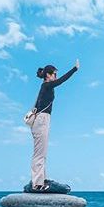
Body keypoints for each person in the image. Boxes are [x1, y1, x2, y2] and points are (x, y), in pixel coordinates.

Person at [30, 59, 80, 192]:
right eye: (54, 74)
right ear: (48, 75)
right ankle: (37, 185)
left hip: (42, 120)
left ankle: (41, 179)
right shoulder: (46, 85)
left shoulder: (44, 87)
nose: (55, 77)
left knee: (42, 152)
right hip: (42, 120)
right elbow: (62, 80)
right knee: (39, 154)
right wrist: (74, 69)